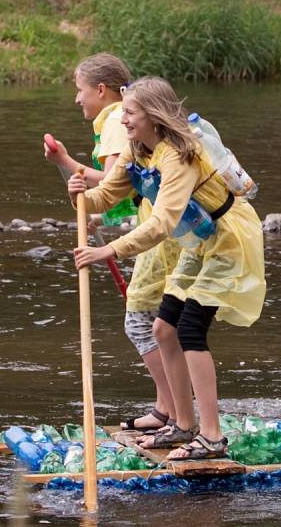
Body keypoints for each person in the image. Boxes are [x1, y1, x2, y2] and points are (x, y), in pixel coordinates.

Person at [68, 76, 266, 459]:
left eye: (129, 113)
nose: (122, 120)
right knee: (163, 327)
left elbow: (160, 224)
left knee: (191, 329)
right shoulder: (138, 148)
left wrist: (107, 249)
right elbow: (109, 193)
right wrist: (81, 195)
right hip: (198, 239)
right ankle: (183, 424)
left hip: (229, 238)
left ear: (153, 116)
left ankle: (212, 437)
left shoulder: (179, 155)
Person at [44, 53, 179, 433]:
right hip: (154, 227)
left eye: (80, 90)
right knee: (154, 323)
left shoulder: (118, 123)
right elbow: (129, 188)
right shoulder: (123, 121)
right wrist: (101, 214)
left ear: (101, 90)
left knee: (142, 321)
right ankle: (167, 407)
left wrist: (65, 161)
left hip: (160, 236)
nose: (77, 99)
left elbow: (109, 181)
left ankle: (170, 409)